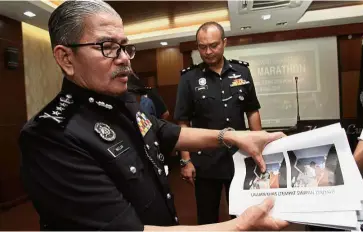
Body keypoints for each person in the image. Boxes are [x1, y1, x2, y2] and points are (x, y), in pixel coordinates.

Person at [18, 1, 289, 231]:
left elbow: (161, 130)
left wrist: (231, 137)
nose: (124, 58)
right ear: (66, 58)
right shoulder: (51, 137)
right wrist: (238, 226)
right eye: (108, 47)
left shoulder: (120, 98)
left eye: (124, 46)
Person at [174, 21, 262, 224]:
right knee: (207, 217)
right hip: (205, 161)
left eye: (213, 45)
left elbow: (252, 112)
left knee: (243, 214)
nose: (208, 51)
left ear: (224, 43)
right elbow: (183, 122)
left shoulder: (242, 72)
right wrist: (185, 161)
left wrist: (259, 146)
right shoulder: (189, 79)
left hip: (240, 158)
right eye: (202, 47)